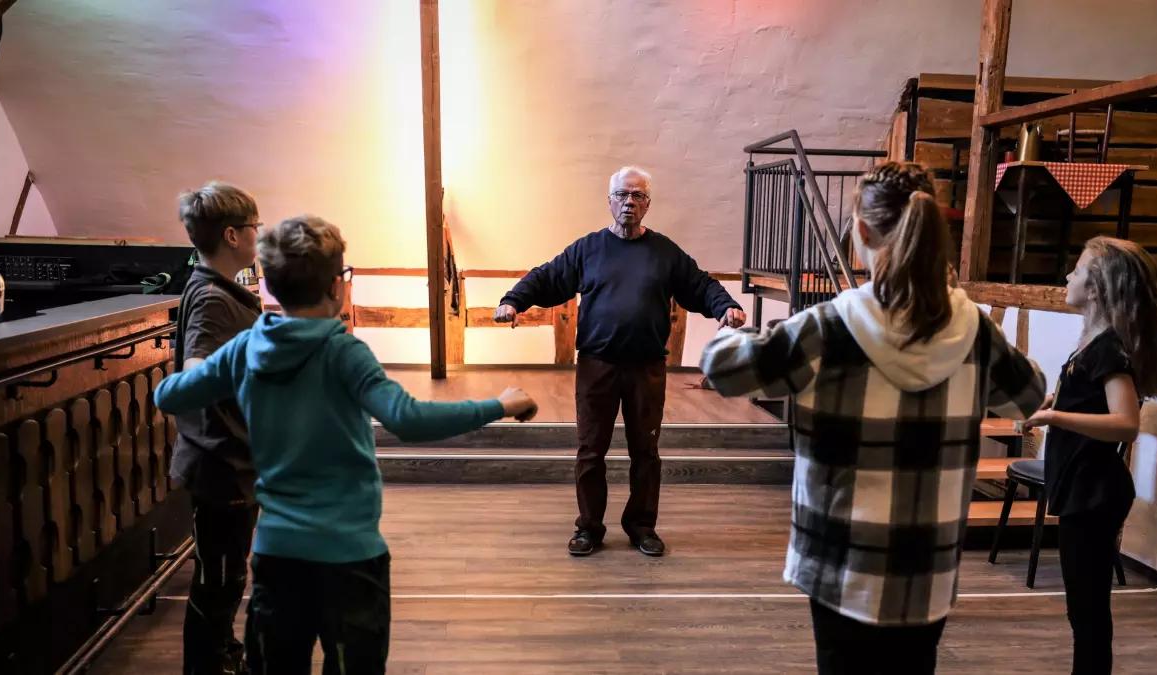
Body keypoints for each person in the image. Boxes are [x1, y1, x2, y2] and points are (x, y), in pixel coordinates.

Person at [701, 161, 1046, 675]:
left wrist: (747, 332)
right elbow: (1029, 396)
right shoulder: (972, 327)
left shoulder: (830, 326)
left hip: (841, 566)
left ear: (861, 231)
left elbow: (722, 368)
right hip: (927, 568)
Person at [155, 215, 538, 675]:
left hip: (278, 555)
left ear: (270, 286)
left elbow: (168, 395)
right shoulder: (344, 353)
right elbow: (407, 418)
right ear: (337, 288)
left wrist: (208, 369)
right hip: (349, 559)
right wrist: (498, 404)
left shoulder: (244, 349)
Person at [494, 166, 746, 557]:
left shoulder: (665, 252)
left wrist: (725, 306)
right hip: (598, 366)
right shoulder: (588, 249)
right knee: (590, 450)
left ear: (648, 204)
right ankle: (588, 528)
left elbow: (700, 285)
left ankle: (642, 526)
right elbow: (547, 277)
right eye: (622, 195)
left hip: (646, 368)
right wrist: (513, 300)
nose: (629, 202)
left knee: (645, 451)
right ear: (609, 200)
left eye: (638, 196)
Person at [1024, 237, 1157, 674]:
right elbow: (1089, 399)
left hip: (1095, 493)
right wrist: (1056, 401)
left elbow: (1125, 422)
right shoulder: (1092, 343)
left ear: (1097, 288)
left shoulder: (1109, 348)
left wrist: (1057, 416)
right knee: (1082, 610)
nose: (1068, 276)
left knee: (1087, 613)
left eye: (1077, 269)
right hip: (1081, 489)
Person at [171, 181, 262, 675]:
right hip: (221, 461)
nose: (257, 235)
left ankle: (222, 654)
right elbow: (194, 372)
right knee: (219, 579)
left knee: (225, 574)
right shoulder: (211, 298)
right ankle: (210, 665)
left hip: (232, 457)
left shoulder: (221, 290)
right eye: (254, 227)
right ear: (231, 235)